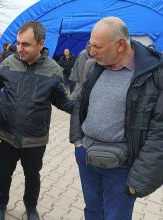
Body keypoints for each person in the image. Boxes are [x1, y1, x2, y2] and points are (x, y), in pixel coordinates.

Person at [70, 17, 163, 220]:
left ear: (120, 45)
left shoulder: (154, 74)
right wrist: (78, 142)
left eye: (98, 46)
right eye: (90, 45)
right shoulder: (93, 66)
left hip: (121, 168)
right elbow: (80, 104)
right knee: (93, 212)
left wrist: (139, 177)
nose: (91, 52)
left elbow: (160, 132)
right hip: (87, 158)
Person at [0, 21, 74, 220]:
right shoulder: (9, 63)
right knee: (3, 173)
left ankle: (31, 207)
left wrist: (82, 109)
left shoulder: (53, 70)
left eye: (25, 44)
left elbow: (61, 101)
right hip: (7, 135)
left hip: (35, 139)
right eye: (18, 43)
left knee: (32, 176)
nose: (19, 48)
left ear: (41, 43)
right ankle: (1, 205)